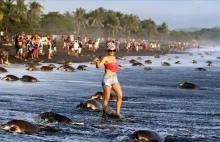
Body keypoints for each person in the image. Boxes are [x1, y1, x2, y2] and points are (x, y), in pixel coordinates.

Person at [93, 44, 123, 119]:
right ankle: (104, 113)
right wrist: (96, 62)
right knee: (107, 98)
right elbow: (99, 66)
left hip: (115, 78)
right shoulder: (105, 58)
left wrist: (119, 67)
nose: (112, 52)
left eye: (113, 51)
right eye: (110, 50)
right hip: (107, 79)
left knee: (120, 96)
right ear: (108, 51)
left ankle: (118, 113)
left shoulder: (114, 57)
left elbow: (113, 66)